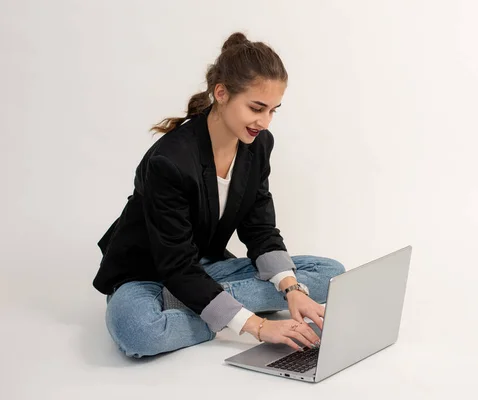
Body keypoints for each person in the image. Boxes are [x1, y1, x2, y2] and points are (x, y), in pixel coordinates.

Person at [92, 32, 345, 358]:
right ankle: (220, 309)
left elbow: (260, 229)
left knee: (331, 273)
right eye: (256, 108)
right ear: (221, 93)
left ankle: (209, 303)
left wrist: (292, 289)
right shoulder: (168, 162)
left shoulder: (258, 145)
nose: (264, 122)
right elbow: (176, 265)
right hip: (148, 276)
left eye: (273, 110)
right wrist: (258, 326)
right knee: (140, 331)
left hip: (207, 266)